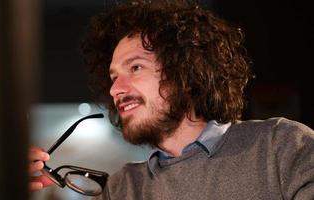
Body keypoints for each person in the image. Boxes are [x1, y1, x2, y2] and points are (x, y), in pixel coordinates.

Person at [29, 0, 314, 199]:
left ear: (187, 73)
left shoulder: (283, 148)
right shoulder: (122, 189)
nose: (116, 89)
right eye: (114, 77)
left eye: (135, 67)